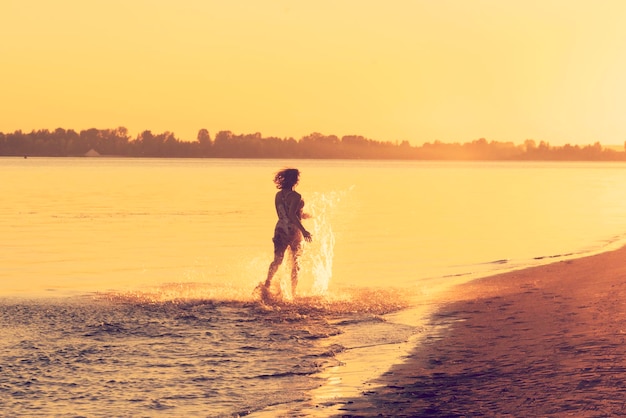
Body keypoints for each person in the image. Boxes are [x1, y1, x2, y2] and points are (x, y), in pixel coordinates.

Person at [263, 168, 312, 299]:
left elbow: (284, 213)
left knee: (277, 260)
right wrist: (304, 230)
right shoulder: (296, 196)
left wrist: (304, 216)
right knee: (295, 262)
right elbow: (291, 215)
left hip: (280, 228)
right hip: (292, 231)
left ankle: (266, 285)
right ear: (295, 180)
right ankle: (293, 293)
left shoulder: (278, 195)